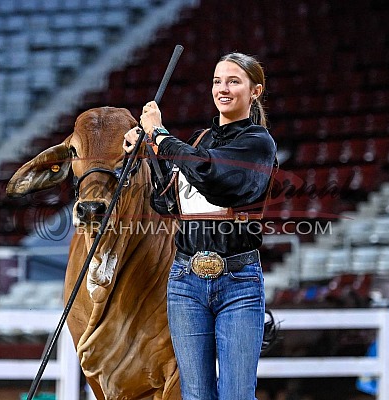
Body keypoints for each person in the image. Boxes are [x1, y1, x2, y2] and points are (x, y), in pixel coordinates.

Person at [123, 52, 277, 399]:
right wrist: (147, 149)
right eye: (217, 81)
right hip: (184, 281)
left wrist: (160, 136)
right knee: (195, 395)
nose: (223, 89)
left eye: (233, 81)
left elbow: (213, 175)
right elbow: (165, 202)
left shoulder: (257, 142)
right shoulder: (197, 141)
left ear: (255, 91)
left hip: (238, 282)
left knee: (237, 394)